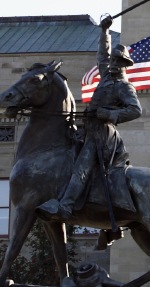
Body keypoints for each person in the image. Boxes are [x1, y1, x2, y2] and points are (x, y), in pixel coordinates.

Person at [38, 15, 142, 222]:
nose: (111, 63)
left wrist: (108, 114)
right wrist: (104, 31)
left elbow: (135, 110)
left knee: (82, 168)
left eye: (116, 61)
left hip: (103, 136)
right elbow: (101, 56)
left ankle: (65, 206)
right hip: (88, 130)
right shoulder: (107, 76)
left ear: (124, 64)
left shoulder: (124, 86)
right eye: (112, 60)